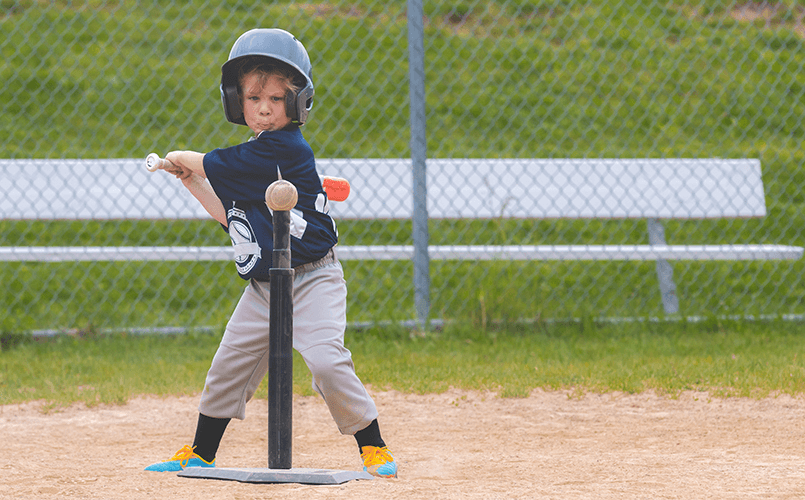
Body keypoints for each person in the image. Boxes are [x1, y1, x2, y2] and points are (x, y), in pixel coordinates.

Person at [144, 28, 396, 479]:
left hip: (313, 276)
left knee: (324, 359)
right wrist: (190, 180)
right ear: (235, 101)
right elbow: (231, 217)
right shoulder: (252, 156)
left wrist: (183, 156)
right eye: (254, 97)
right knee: (229, 363)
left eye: (277, 99)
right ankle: (201, 451)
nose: (264, 108)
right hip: (266, 283)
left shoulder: (286, 149)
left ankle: (373, 447)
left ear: (297, 105)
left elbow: (224, 164)